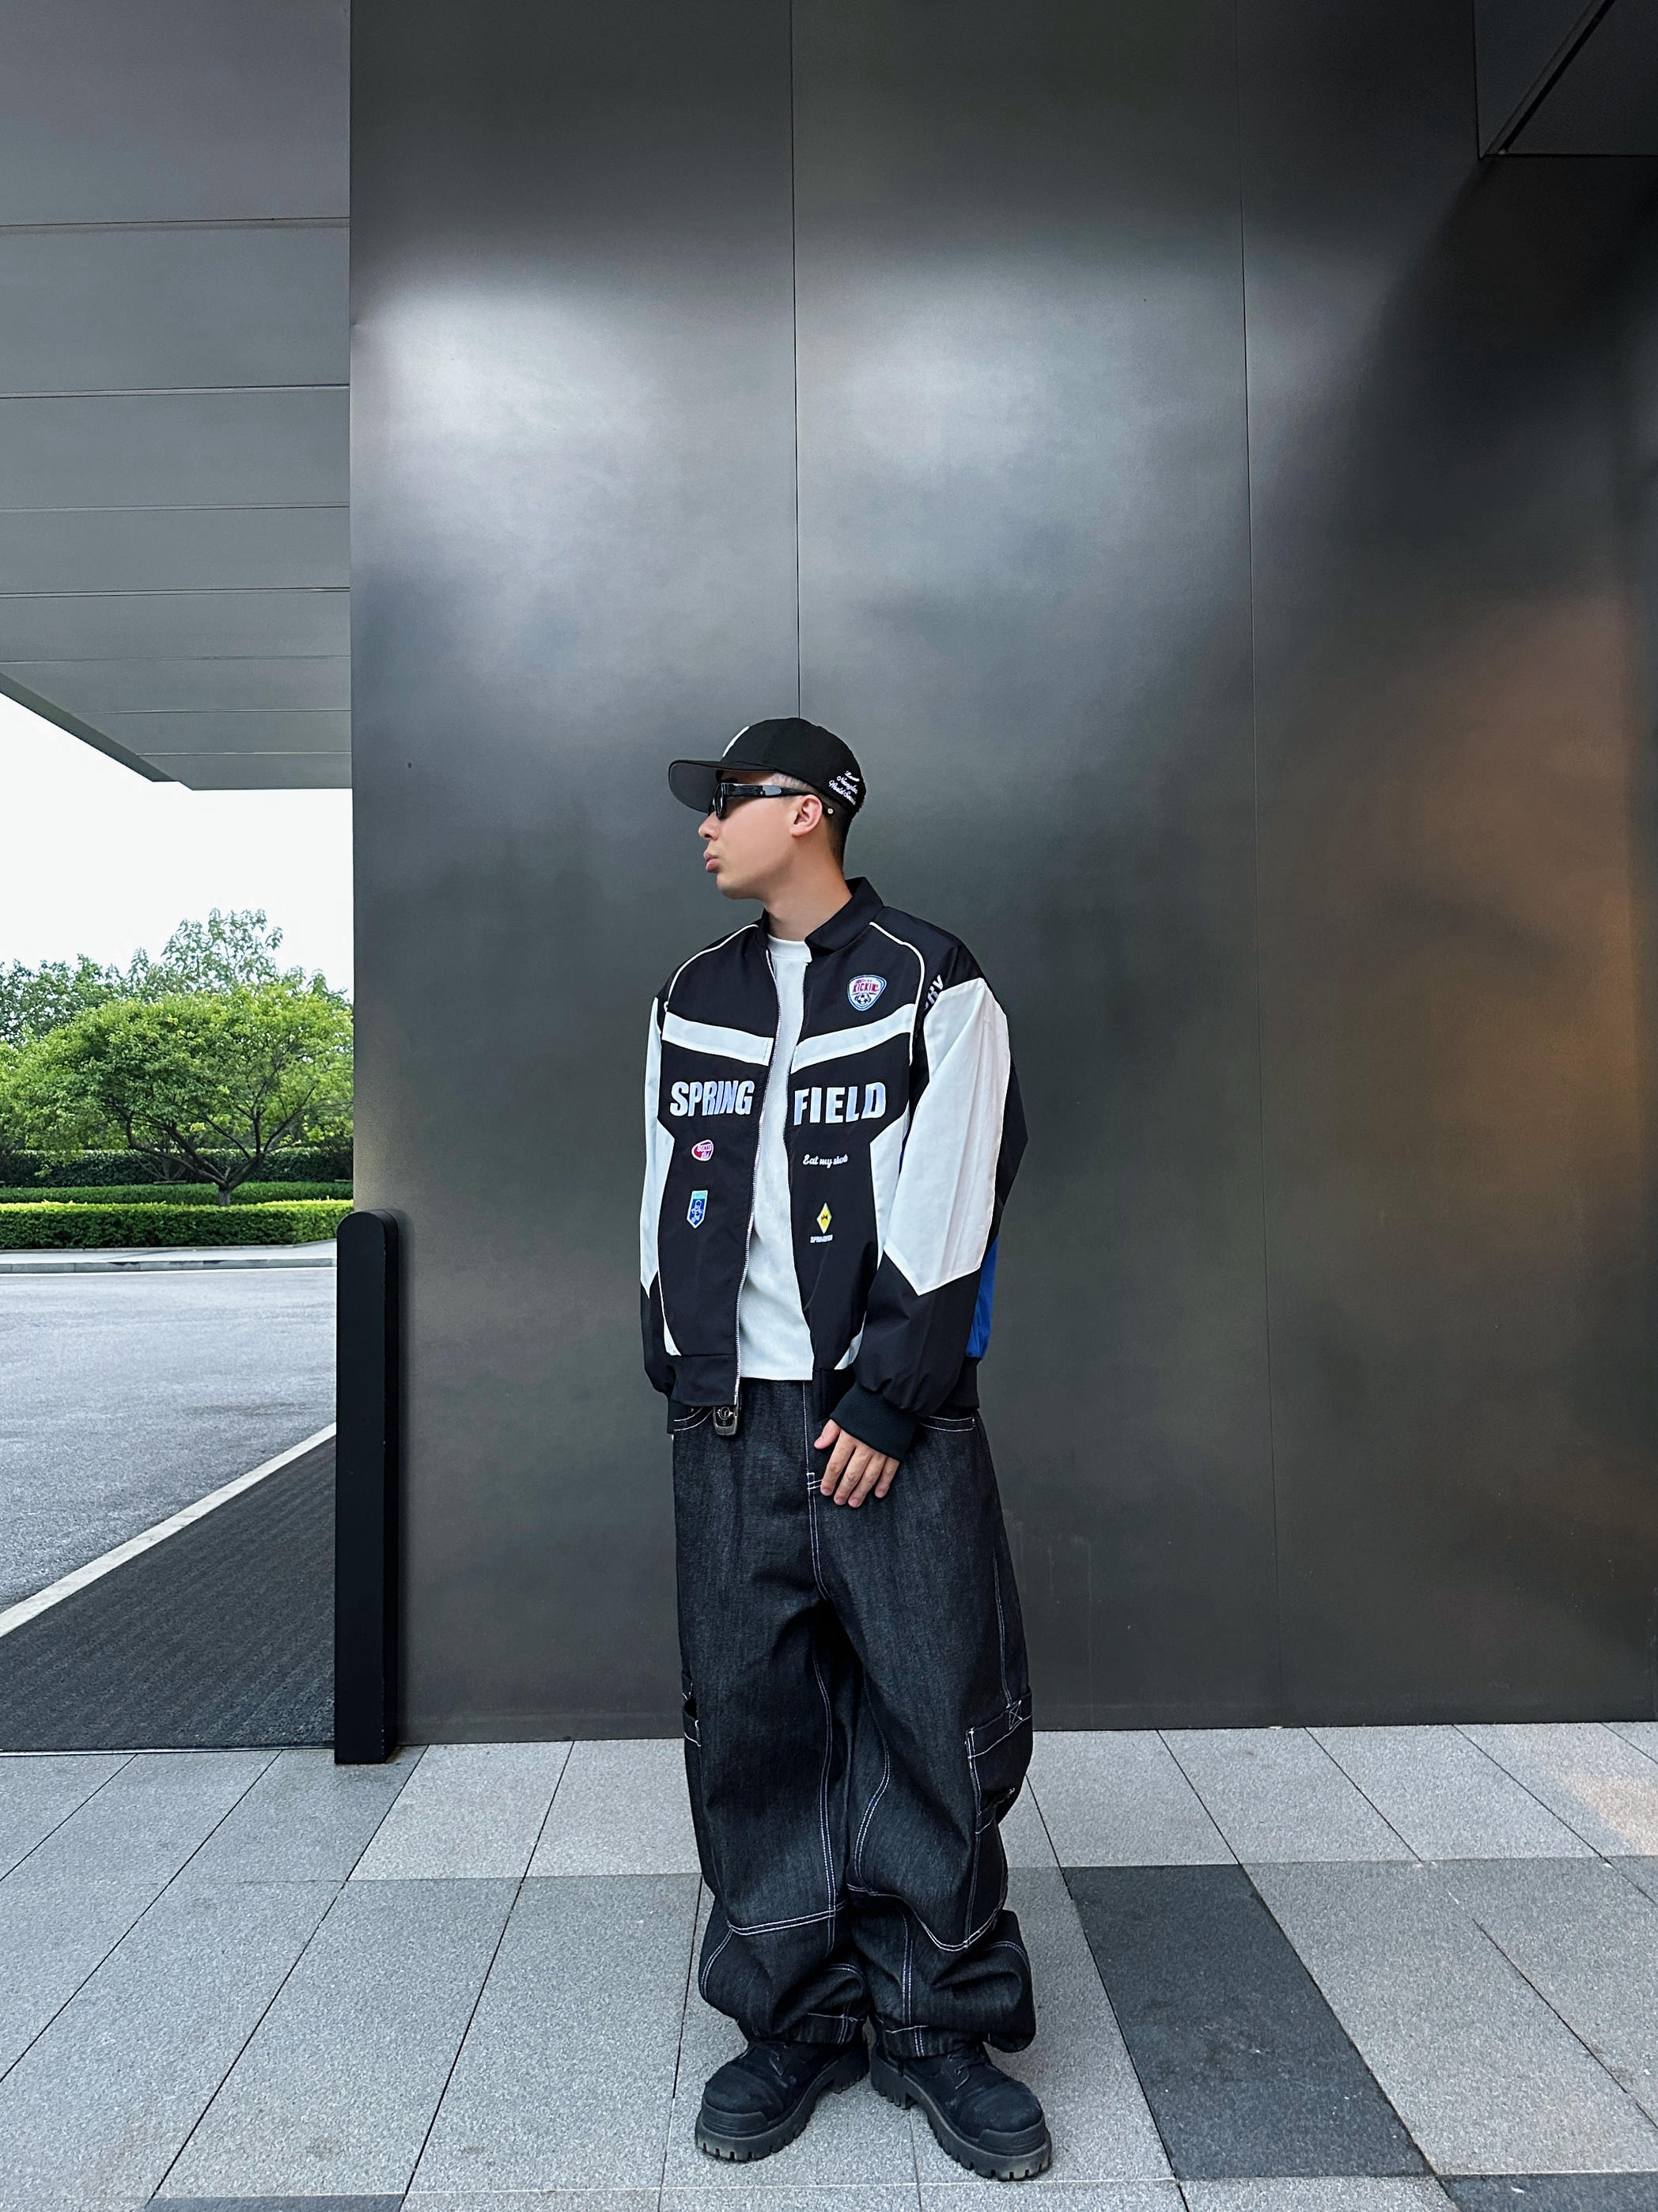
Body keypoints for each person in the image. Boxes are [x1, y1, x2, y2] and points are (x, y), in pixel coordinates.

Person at [639, 716, 1050, 2182]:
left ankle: (936, 2021)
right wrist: (683, 1370)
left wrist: (887, 1402)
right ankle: (795, 2017)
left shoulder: (936, 981)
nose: (706, 826)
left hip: (886, 1423)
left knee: (930, 1712)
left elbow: (957, 1200)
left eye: (727, 803)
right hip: (727, 1421)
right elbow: (665, 1190)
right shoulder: (691, 994)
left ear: (808, 810)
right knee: (750, 1723)